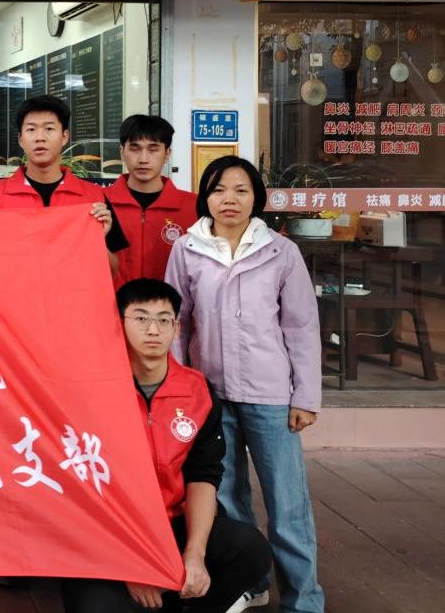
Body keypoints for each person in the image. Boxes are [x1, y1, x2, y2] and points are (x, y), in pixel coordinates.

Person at [165, 156, 324, 613]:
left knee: (288, 505)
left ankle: (304, 600)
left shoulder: (280, 252)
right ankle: (250, 585)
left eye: (240, 189)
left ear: (256, 197)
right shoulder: (188, 249)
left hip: (271, 396)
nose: (228, 199)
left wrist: (305, 396)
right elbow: (177, 323)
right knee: (227, 498)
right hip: (210, 395)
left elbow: (301, 327)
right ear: (205, 197)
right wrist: (183, 392)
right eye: (218, 190)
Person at [61, 278, 271, 613]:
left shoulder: (197, 390)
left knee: (250, 549)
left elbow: (203, 475)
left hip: (171, 523)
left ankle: (181, 601)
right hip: (108, 535)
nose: (153, 330)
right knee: (95, 607)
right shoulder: (91, 392)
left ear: (176, 328)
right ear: (119, 324)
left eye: (163, 320)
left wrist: (195, 553)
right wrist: (132, 566)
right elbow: (80, 487)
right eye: (140, 318)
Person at [0, 95, 128, 271]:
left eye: (49, 128)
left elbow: (113, 271)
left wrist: (97, 239)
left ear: (64, 136)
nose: (40, 137)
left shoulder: (94, 199)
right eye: (31, 129)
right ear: (20, 139)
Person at [106, 114, 196, 287]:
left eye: (153, 149)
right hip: (112, 304)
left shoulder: (194, 207)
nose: (143, 159)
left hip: (170, 304)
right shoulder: (100, 203)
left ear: (167, 154)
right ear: (122, 152)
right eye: (135, 148)